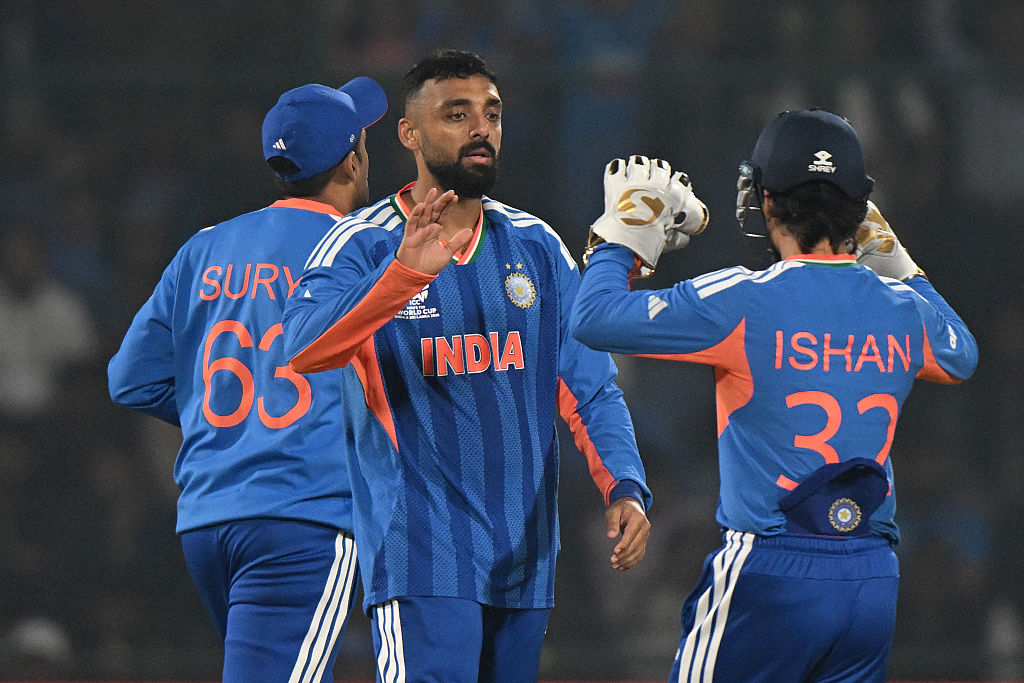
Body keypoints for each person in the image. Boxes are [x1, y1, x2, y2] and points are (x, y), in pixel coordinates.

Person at [282, 48, 652, 682]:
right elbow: (304, 347)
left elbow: (589, 387)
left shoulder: (536, 246)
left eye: (492, 113)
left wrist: (624, 484)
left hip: (523, 557)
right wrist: (402, 276)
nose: (481, 128)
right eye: (457, 114)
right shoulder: (363, 242)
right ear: (409, 134)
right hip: (420, 554)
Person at [569, 110, 978, 682]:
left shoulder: (742, 299)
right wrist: (894, 257)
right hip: (870, 578)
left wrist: (627, 230)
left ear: (765, 200)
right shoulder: (904, 310)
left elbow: (593, 318)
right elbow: (962, 353)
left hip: (769, 569)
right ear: (860, 209)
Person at [107, 77, 397, 682]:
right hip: (304, 515)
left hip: (209, 519)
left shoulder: (205, 247)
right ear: (352, 160)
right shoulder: (369, 249)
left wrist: (230, 417)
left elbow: (130, 379)